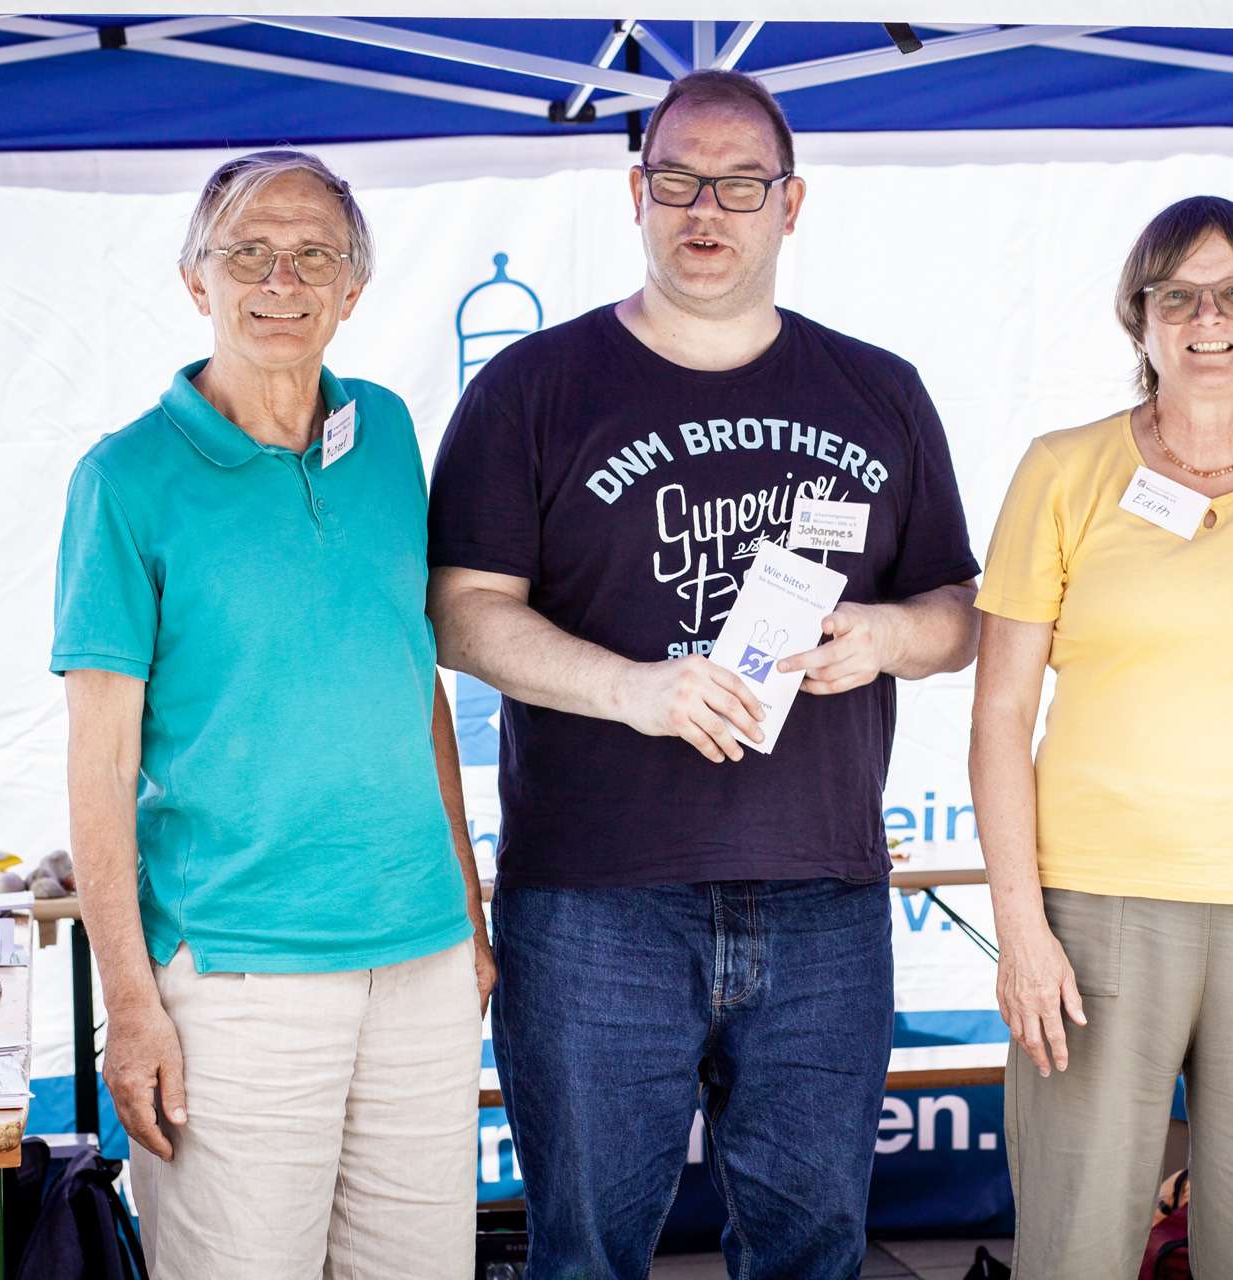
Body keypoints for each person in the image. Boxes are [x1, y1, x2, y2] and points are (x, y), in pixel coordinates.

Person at [426, 70, 981, 1279]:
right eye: (678, 180)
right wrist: (635, 686)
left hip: (825, 895)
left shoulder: (879, 390)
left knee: (813, 1250)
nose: (706, 211)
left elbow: (958, 611)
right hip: (593, 903)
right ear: (637, 192)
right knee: (585, 1252)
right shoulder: (531, 388)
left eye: (741, 184)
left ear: (794, 203)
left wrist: (883, 637)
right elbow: (463, 617)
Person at [53, 150, 493, 1278]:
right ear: (196, 278)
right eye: (247, 250)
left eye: (314, 255)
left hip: (422, 960)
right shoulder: (127, 478)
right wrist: (132, 1007)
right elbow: (98, 768)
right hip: (238, 979)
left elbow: (417, 685)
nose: (280, 279)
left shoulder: (389, 434)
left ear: (354, 289)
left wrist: (471, 912)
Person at [969, 194, 1233, 1280]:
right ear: (1142, 320)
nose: (1207, 318)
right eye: (1178, 295)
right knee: (1076, 1244)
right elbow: (998, 712)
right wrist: (1020, 927)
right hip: (1096, 914)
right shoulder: (1063, 469)